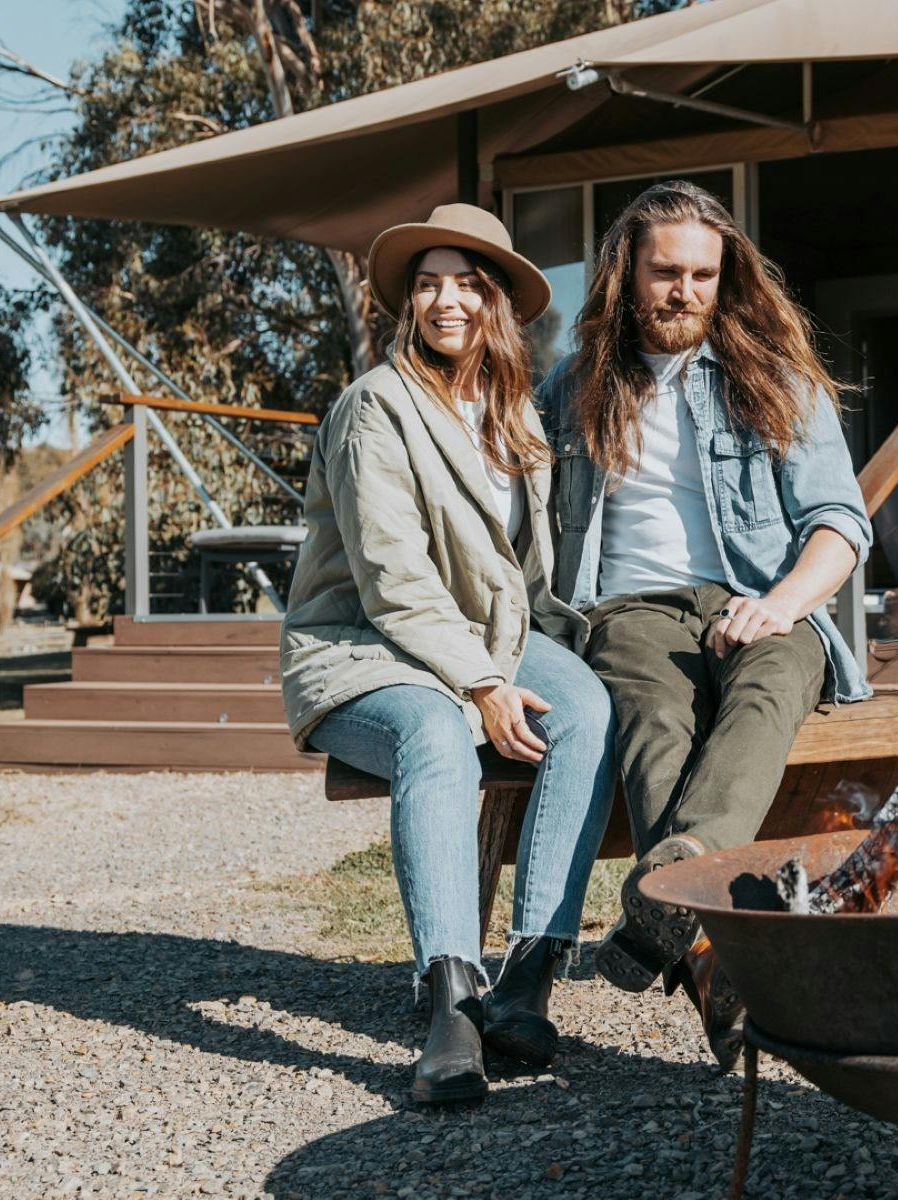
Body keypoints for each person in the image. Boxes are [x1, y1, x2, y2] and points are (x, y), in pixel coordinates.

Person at [281, 204, 617, 1105]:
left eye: (466, 283)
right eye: (428, 283)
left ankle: (528, 978)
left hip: (484, 638)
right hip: (364, 647)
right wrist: (480, 685)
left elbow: (528, 573)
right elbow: (392, 582)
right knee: (434, 732)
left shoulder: (515, 413)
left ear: (497, 301)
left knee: (586, 709)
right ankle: (451, 1004)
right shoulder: (373, 411)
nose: (445, 300)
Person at [537, 181, 872, 1069]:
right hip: (631, 609)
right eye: (665, 272)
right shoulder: (570, 391)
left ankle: (670, 891)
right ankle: (718, 952)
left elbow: (840, 524)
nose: (684, 290)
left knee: (767, 693)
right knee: (652, 726)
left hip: (762, 596)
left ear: (725, 279)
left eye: (702, 275)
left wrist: (783, 602)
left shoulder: (775, 379)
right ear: (624, 274)